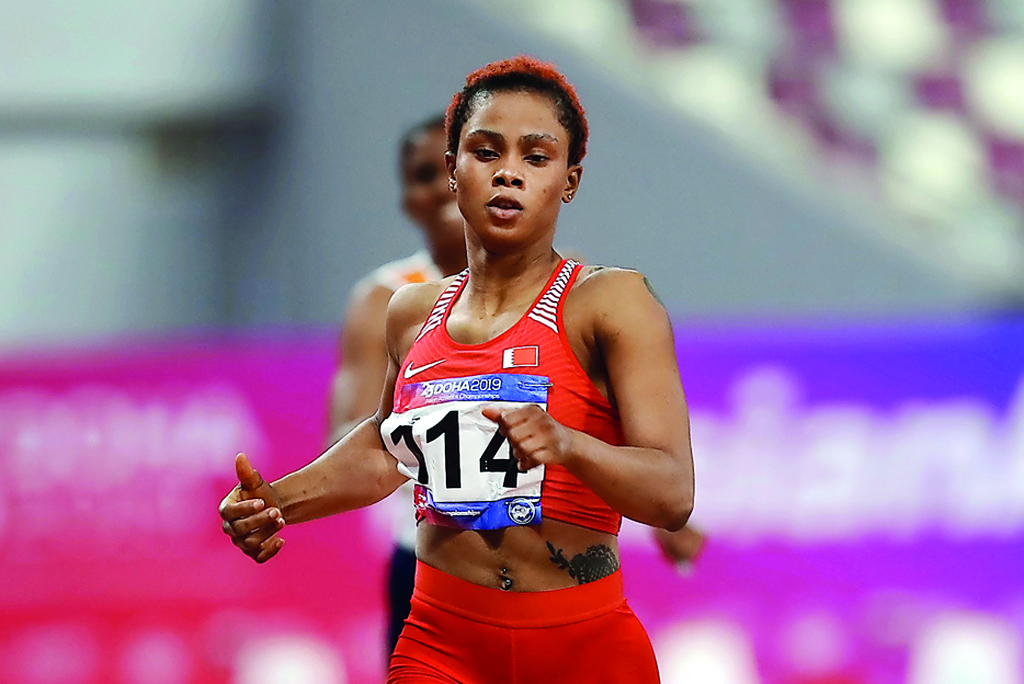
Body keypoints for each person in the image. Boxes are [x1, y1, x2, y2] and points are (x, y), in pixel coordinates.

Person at [220, 55, 694, 682]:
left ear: (569, 180)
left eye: (536, 156)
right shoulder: (410, 312)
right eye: (485, 151)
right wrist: (276, 502)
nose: (508, 174)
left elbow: (672, 495)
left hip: (583, 648)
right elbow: (388, 449)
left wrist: (566, 445)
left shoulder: (611, 304)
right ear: (453, 171)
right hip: (441, 645)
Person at [324, 113, 467, 661]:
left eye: (459, 167)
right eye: (427, 173)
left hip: (547, 564)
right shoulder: (383, 300)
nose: (446, 186)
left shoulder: (562, 292)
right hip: (429, 561)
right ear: (409, 199)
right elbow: (346, 435)